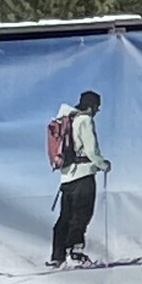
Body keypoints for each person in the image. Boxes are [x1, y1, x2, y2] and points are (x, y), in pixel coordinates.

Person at [49, 89, 111, 267]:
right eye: (97, 107)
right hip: (83, 175)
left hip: (66, 177)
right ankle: (75, 253)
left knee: (65, 216)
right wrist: (103, 164)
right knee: (81, 214)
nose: (97, 111)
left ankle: (58, 256)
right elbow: (91, 151)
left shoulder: (66, 120)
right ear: (91, 106)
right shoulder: (85, 120)